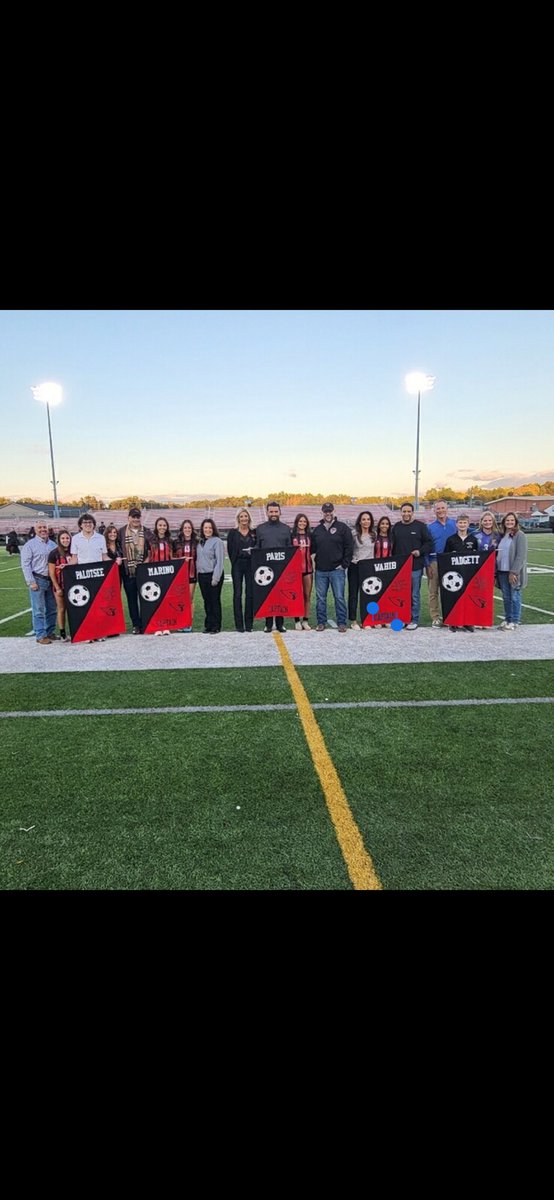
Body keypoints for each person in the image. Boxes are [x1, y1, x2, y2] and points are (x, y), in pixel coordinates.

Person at [310, 502, 352, 632]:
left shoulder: (342, 527)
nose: (328, 514)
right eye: (325, 511)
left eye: (330, 511)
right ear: (322, 513)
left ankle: (342, 623)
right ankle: (321, 622)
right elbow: (313, 549)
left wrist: (344, 564)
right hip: (321, 571)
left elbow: (349, 547)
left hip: (337, 570)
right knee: (320, 599)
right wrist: (315, 563)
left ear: (334, 511)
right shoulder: (317, 530)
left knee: (339, 597)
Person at [391, 502, 433, 630]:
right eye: (404, 511)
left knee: (414, 594)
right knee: (401, 594)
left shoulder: (420, 526)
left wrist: (419, 551)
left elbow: (429, 543)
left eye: (409, 511)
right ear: (401, 512)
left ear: (412, 513)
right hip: (400, 568)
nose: (406, 514)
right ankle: (403, 617)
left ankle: (414, 619)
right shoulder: (396, 527)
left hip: (415, 566)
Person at [255, 501, 292, 632]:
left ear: (280, 512)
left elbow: (290, 550)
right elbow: (257, 549)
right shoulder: (260, 529)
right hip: (265, 569)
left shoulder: (286, 529)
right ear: (267, 513)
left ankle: (280, 623)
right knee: (267, 595)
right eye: (271, 511)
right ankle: (268, 623)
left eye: (276, 511)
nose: (274, 514)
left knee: (280, 596)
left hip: (281, 568)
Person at [20, 520, 57, 644]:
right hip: (38, 579)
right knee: (38, 610)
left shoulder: (53, 545)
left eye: (44, 527)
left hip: (51, 580)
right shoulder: (30, 545)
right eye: (40, 527)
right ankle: (40, 635)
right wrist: (31, 581)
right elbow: (25, 565)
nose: (43, 530)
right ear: (35, 530)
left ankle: (50, 632)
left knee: (52, 609)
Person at [444, 514, 481, 632]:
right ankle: (453, 622)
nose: (462, 525)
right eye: (460, 523)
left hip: (469, 573)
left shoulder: (473, 540)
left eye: (464, 523)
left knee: (468, 597)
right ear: (456, 524)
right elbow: (445, 557)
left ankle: (467, 622)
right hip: (454, 575)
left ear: (468, 524)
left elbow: (478, 556)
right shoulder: (451, 539)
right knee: (454, 597)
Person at [117, 506, 151, 634]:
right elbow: (116, 548)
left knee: (146, 598)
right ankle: (136, 624)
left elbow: (152, 548)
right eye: (133, 517)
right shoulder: (121, 532)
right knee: (132, 599)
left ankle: (146, 622)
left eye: (138, 517)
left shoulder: (147, 531)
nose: (136, 519)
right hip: (128, 571)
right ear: (128, 518)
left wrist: (147, 560)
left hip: (143, 571)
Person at [426, 500, 457, 628]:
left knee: (451, 590)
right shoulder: (430, 527)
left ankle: (450, 616)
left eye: (443, 508)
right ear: (434, 511)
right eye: (438, 509)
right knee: (433, 591)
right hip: (435, 562)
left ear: (447, 508)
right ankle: (435, 617)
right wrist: (427, 564)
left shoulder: (455, 524)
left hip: (451, 562)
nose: (440, 511)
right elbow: (426, 546)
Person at [496, 512, 528, 630]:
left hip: (513, 571)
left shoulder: (520, 535)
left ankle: (515, 620)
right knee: (506, 597)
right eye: (507, 520)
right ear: (504, 522)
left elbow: (521, 555)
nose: (509, 522)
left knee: (515, 595)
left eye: (512, 520)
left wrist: (514, 572)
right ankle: (508, 618)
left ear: (516, 522)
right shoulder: (503, 535)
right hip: (502, 571)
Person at [227, 509, 256, 632]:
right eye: (241, 516)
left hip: (250, 565)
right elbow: (230, 550)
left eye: (246, 516)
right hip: (237, 564)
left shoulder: (254, 533)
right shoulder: (233, 533)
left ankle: (249, 625)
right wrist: (234, 562)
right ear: (238, 518)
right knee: (237, 594)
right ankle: (239, 625)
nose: (244, 518)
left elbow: (258, 547)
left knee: (250, 594)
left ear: (249, 518)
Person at [473, 512, 501, 629]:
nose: (487, 522)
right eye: (485, 520)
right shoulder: (475, 535)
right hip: (478, 569)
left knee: (489, 595)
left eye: (490, 520)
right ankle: (477, 619)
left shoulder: (498, 536)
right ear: (481, 521)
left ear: (493, 521)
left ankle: (486, 620)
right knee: (477, 595)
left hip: (492, 569)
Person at [196, 518, 225, 633]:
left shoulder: (217, 541)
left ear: (213, 529)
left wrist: (216, 577)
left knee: (214, 601)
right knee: (206, 601)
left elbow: (220, 561)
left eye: (210, 528)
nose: (207, 530)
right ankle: (208, 624)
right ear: (202, 529)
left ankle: (216, 626)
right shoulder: (199, 542)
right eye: (205, 528)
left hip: (213, 575)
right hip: (202, 575)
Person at [348, 511, 375, 629]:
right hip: (355, 566)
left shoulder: (374, 534)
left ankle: (367, 619)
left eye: (368, 519)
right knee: (353, 594)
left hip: (368, 567)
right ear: (360, 521)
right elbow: (348, 549)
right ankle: (353, 620)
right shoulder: (354, 534)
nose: (366, 521)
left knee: (368, 595)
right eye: (363, 519)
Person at [173, 519, 198, 631]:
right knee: (180, 598)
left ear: (192, 529)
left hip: (192, 572)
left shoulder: (197, 542)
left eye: (189, 528)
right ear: (182, 530)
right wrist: (180, 559)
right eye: (185, 528)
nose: (187, 530)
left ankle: (189, 622)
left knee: (190, 598)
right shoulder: (176, 542)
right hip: (179, 574)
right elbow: (171, 558)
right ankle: (180, 621)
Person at [48, 529, 72, 639]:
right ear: (59, 540)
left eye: (67, 538)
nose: (65, 540)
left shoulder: (74, 551)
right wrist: (57, 587)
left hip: (73, 585)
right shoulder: (54, 553)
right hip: (60, 585)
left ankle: (75, 631)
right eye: (63, 538)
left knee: (74, 609)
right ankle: (62, 633)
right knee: (62, 609)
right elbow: (52, 573)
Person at [290, 514, 313, 630]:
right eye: (300, 521)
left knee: (307, 595)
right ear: (296, 522)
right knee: (296, 596)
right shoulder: (292, 536)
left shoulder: (310, 536)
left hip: (308, 570)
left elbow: (313, 551)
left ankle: (305, 620)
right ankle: (296, 620)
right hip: (295, 571)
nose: (302, 523)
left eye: (304, 521)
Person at [373, 515, 394, 626]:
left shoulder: (392, 538)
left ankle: (386, 618)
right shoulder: (375, 538)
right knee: (376, 594)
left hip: (389, 569)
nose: (384, 525)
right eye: (382, 523)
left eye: (386, 524)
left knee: (387, 594)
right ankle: (377, 618)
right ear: (379, 525)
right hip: (376, 569)